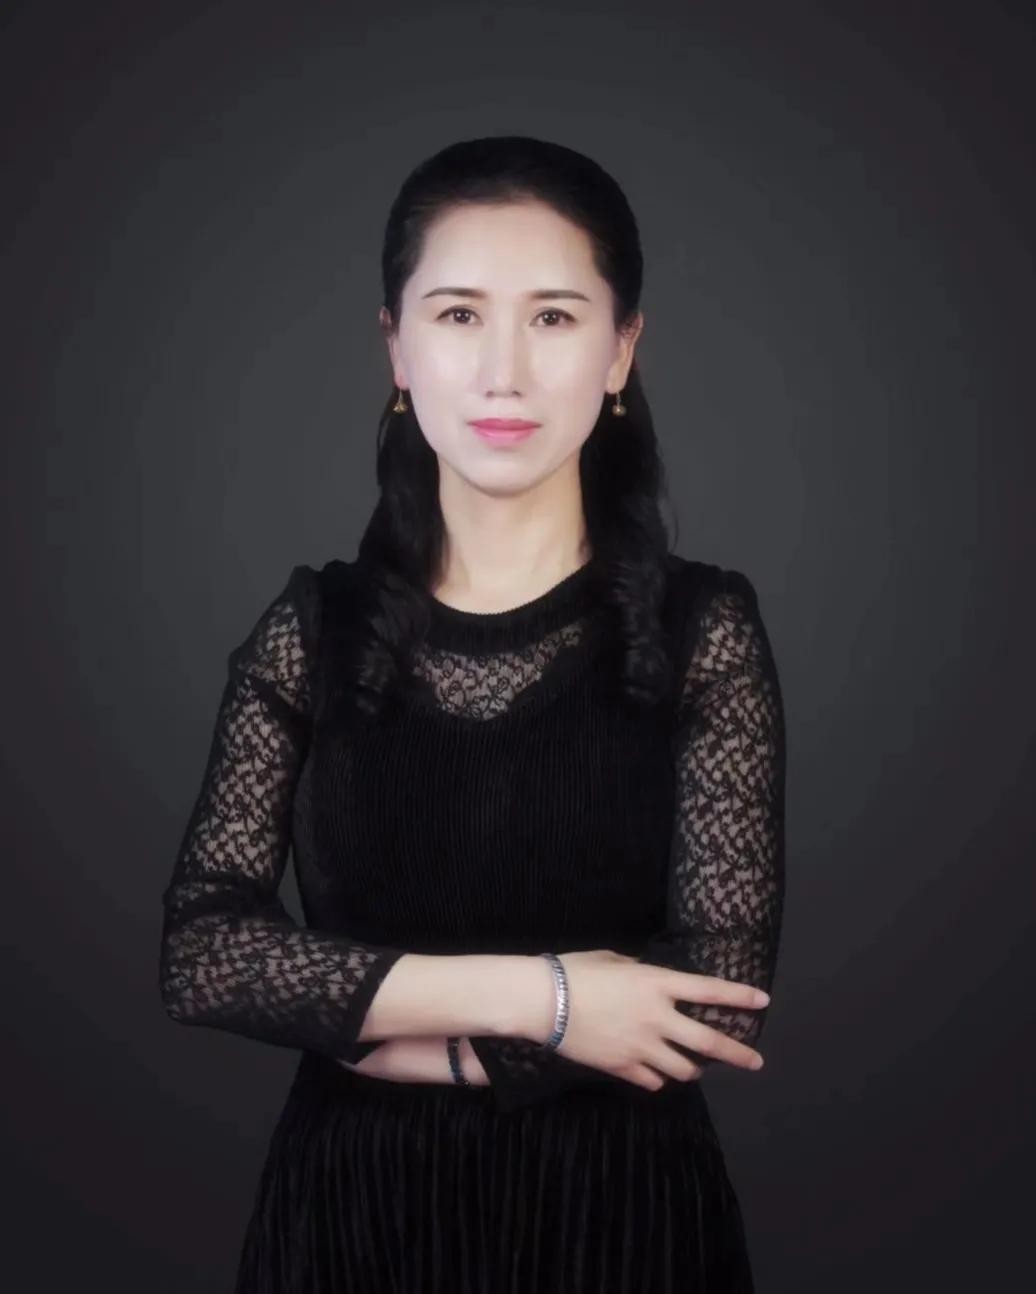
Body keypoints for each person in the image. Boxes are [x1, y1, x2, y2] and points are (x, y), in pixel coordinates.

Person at [158, 134, 786, 1293]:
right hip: (348, 1223)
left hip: (622, 1222)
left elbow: (711, 992)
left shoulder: (703, 626)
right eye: (457, 315)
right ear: (396, 348)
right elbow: (204, 953)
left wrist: (386, 1031)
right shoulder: (312, 629)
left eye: (552, 317)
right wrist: (549, 999)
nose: (504, 372)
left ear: (620, 349)